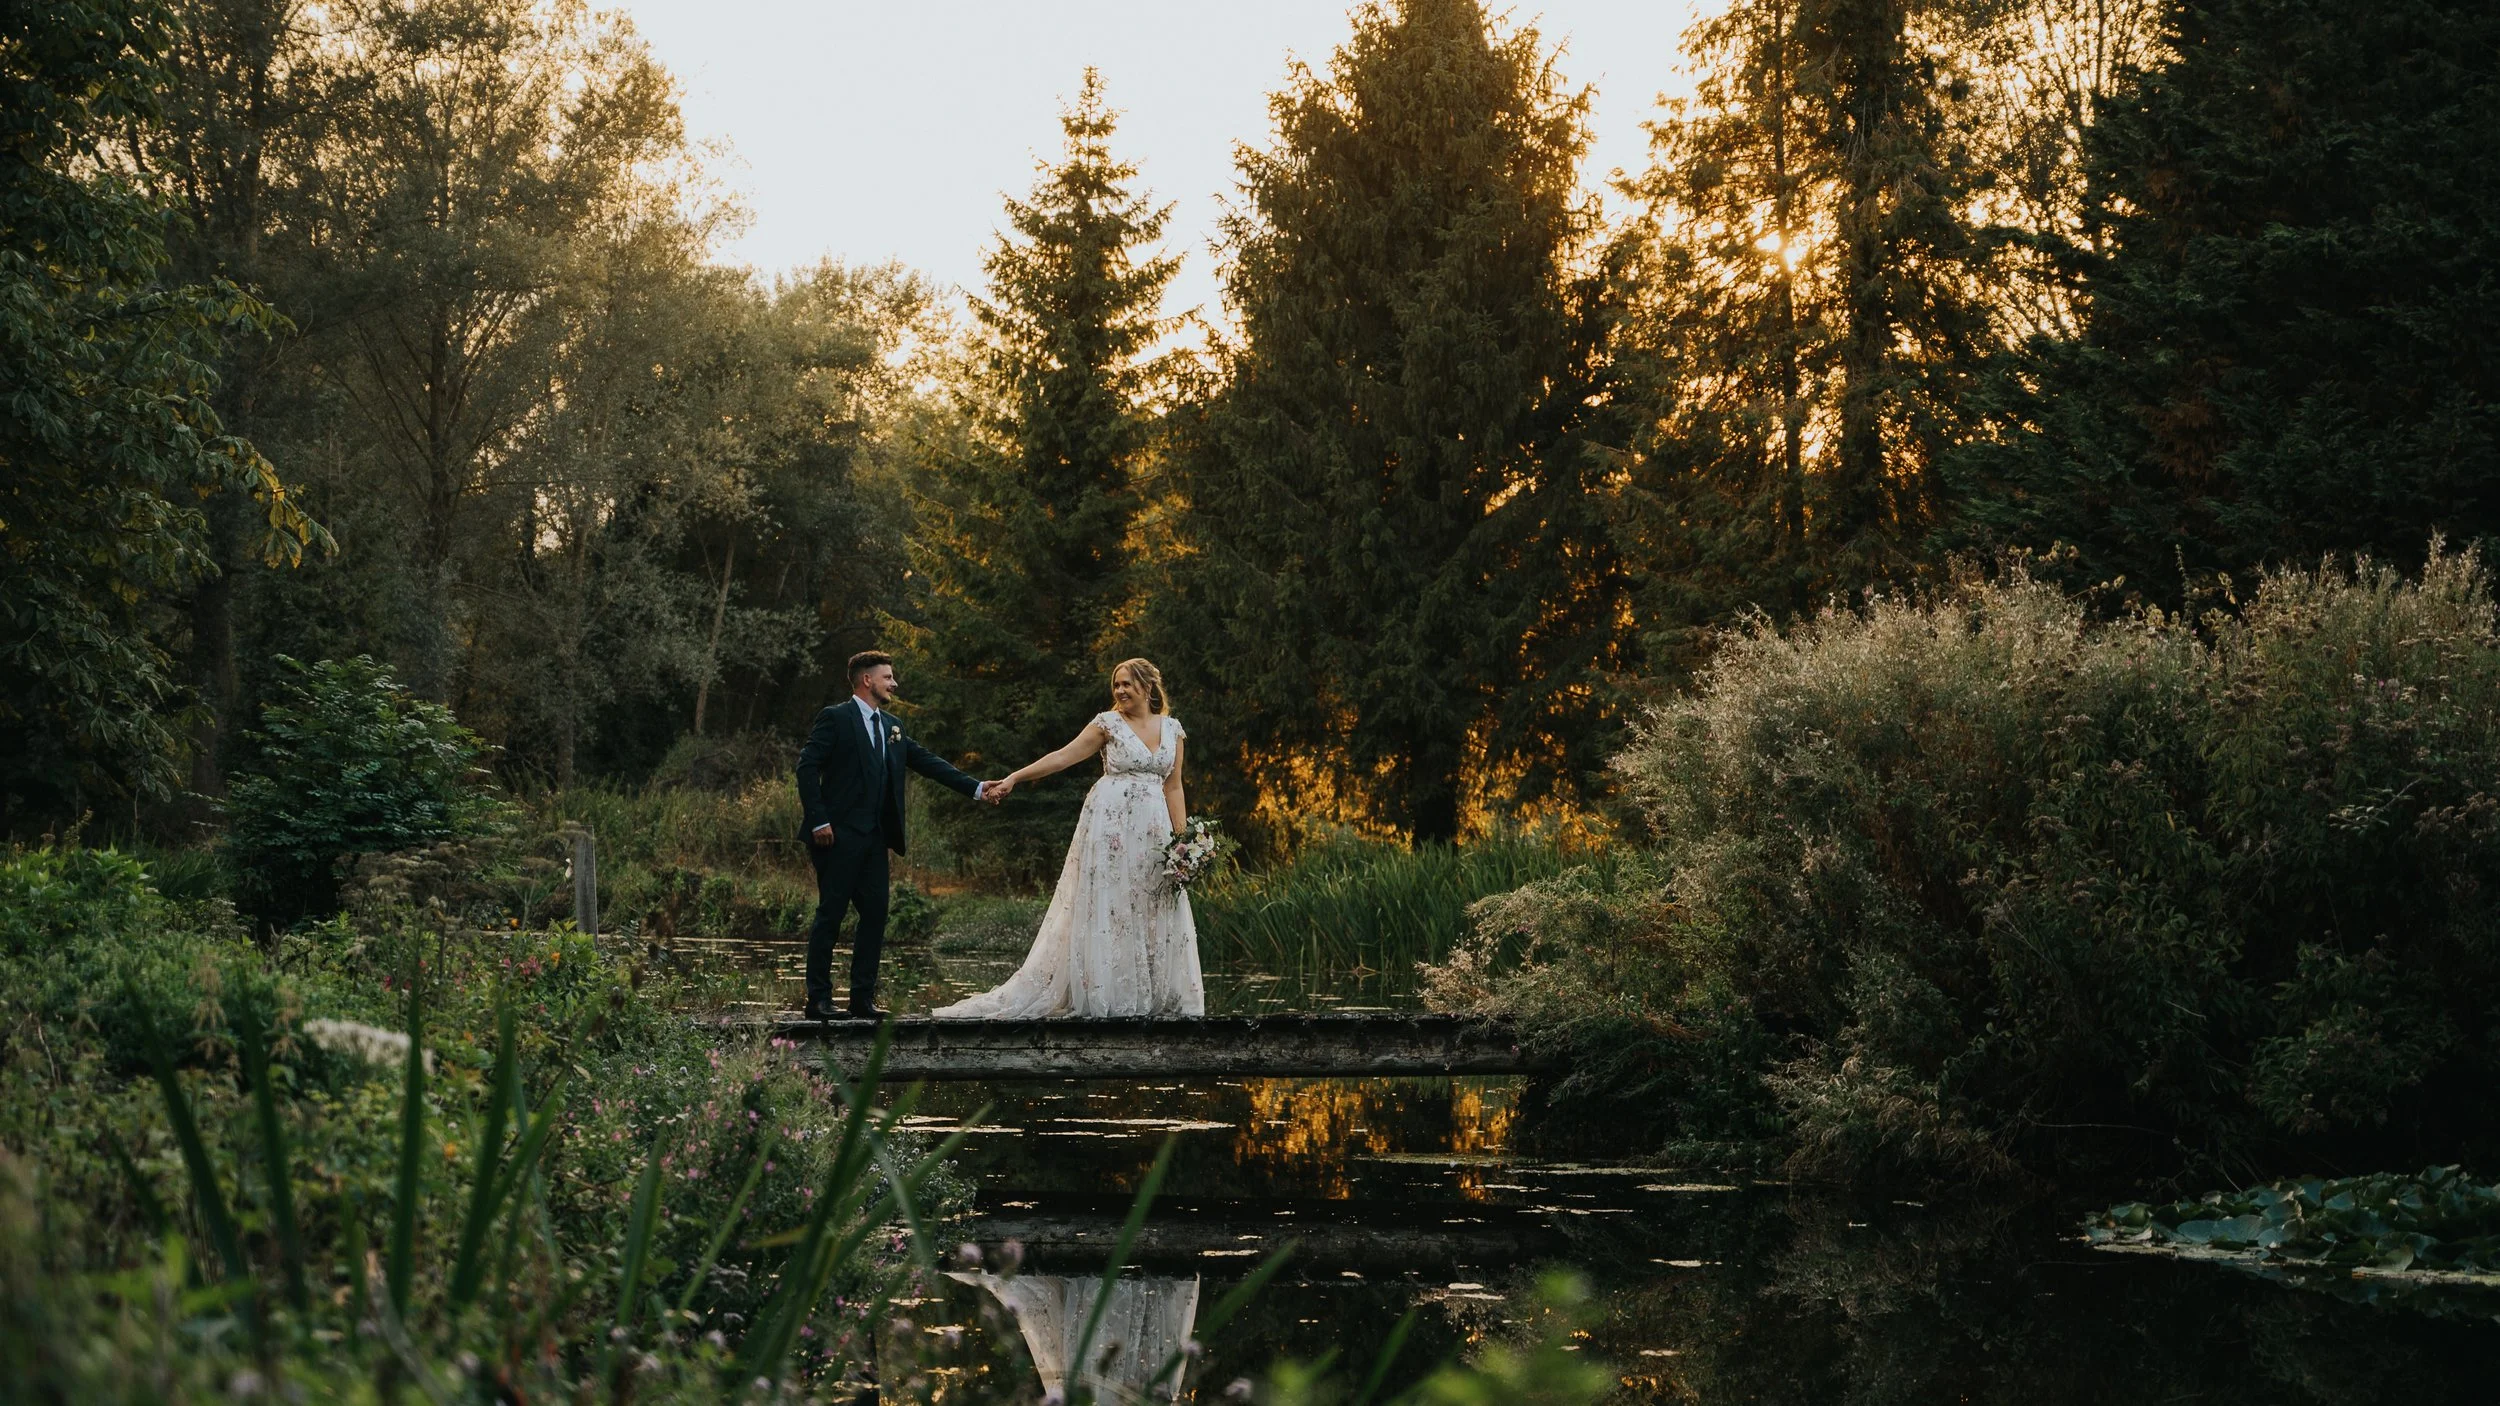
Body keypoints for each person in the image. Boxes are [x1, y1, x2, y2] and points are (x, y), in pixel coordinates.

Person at [934, 658, 1205, 1018]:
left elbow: (1173, 786)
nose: (1120, 691)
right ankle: (1109, 997)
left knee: (1153, 905)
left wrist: (1182, 843)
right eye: (1117, 685)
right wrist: (1015, 777)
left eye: (1127, 684)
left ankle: (1154, 997)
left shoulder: (1172, 729)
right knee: (1112, 905)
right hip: (1110, 827)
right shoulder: (1107, 724)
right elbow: (1062, 757)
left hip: (1154, 831)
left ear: (1147, 686)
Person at [794, 650, 999, 1021]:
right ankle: (818, 1001)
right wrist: (818, 820)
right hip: (835, 837)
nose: (894, 683)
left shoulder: (893, 726)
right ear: (866, 680)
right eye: (888, 677)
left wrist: (977, 788)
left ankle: (862, 999)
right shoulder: (836, 718)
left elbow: (926, 760)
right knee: (831, 914)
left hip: (875, 840)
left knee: (875, 915)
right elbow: (806, 766)